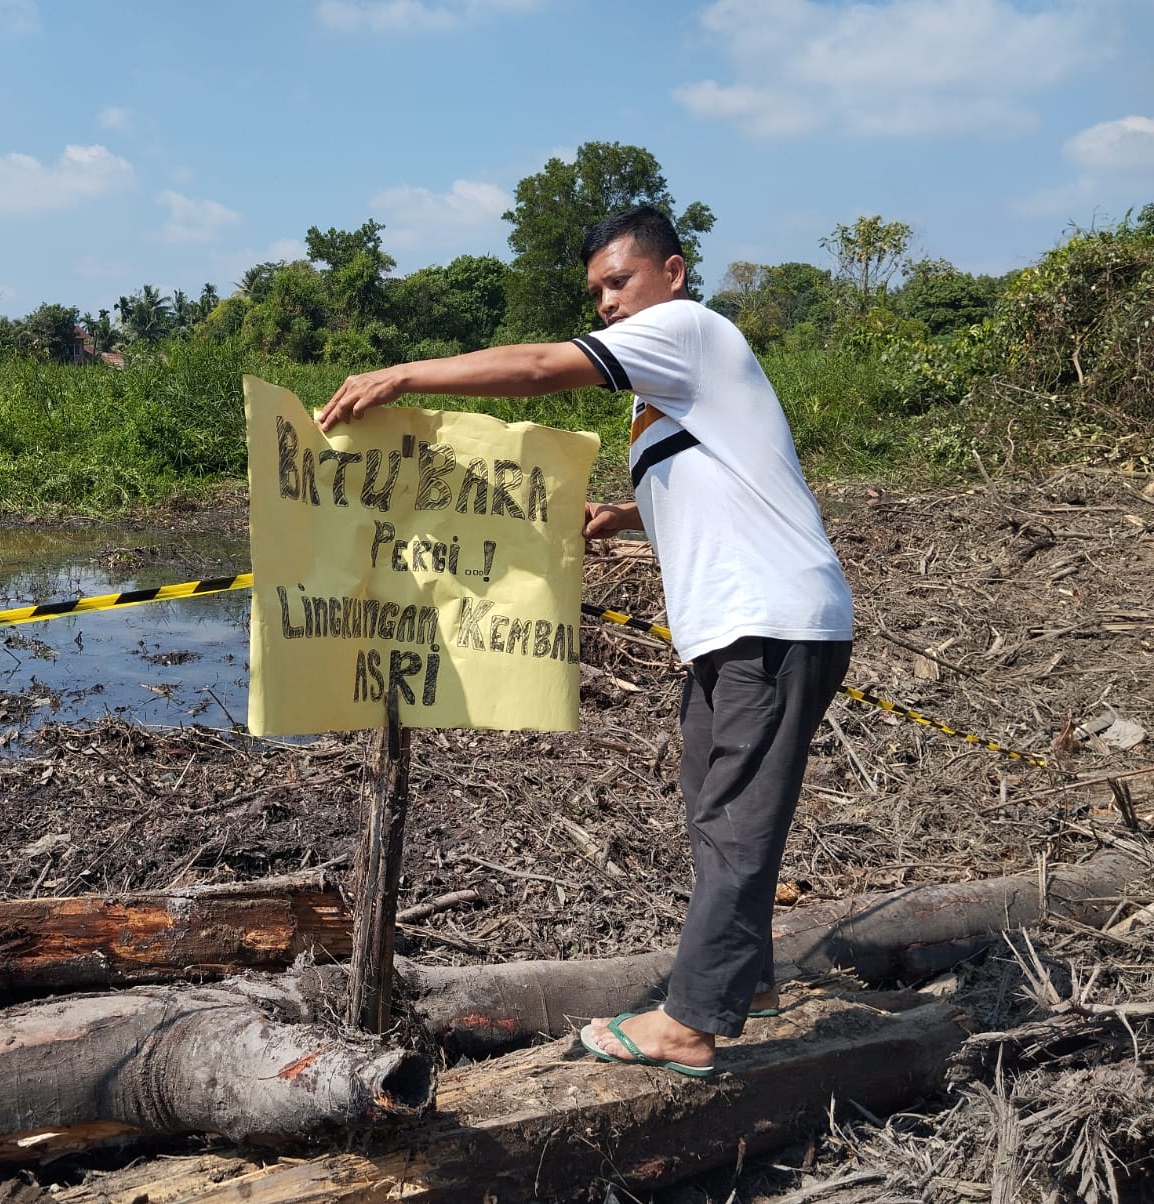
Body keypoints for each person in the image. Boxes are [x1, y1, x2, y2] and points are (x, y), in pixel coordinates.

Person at [317, 205, 854, 1077]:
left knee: (738, 821)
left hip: (772, 621)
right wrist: (628, 511)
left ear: (672, 273)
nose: (607, 303)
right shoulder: (672, 381)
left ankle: (689, 1023)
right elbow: (737, 469)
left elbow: (537, 368)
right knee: (715, 812)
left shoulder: (685, 330)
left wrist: (406, 373)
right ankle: (743, 976)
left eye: (619, 282)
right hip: (733, 628)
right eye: (597, 291)